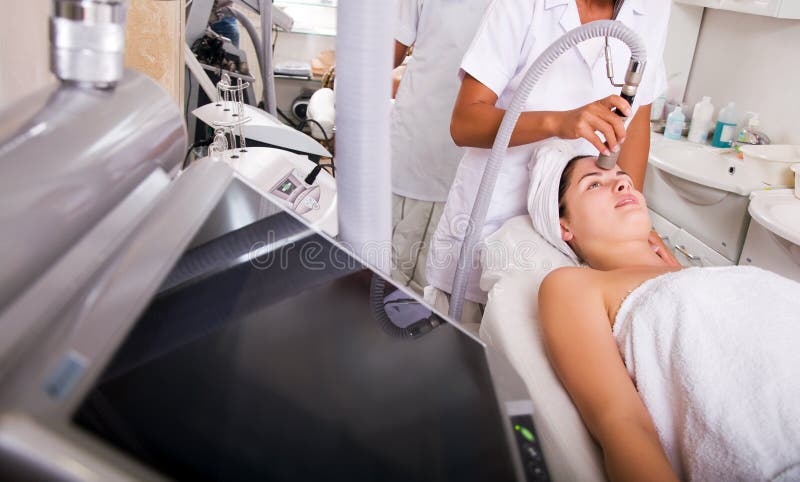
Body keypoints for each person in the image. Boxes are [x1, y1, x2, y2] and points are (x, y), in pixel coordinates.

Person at [533, 146, 800, 481]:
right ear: (564, 227)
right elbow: (621, 423)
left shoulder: (702, 276)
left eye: (622, 177)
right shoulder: (573, 285)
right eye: (594, 184)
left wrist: (680, 272)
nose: (622, 185)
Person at [424, 0, 677, 322]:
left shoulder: (653, 8)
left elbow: (637, 118)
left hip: (583, 225)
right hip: (493, 210)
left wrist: (628, 223)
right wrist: (558, 123)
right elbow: (464, 123)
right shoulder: (521, 6)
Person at [390, 0, 492, 295]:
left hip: (485, 180)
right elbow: (379, 57)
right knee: (388, 289)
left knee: (450, 306)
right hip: (419, 165)